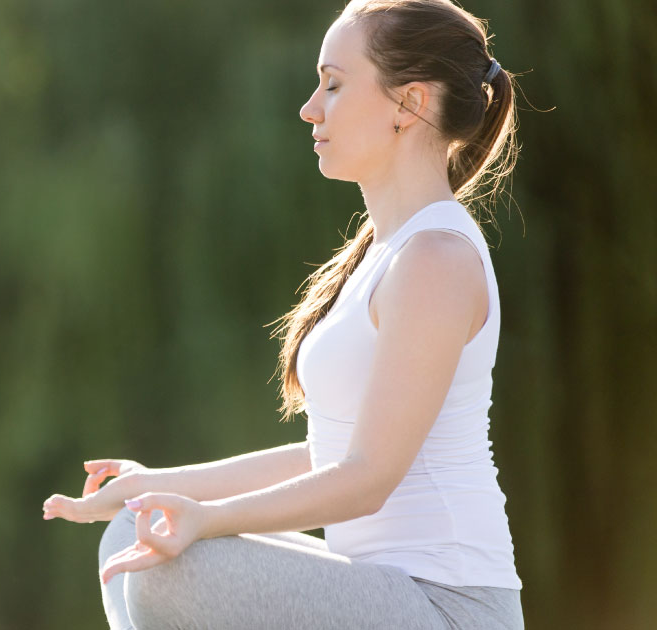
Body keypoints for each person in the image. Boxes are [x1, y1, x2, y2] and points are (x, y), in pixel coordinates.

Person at [40, 0, 526, 628]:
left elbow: (368, 477)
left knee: (169, 567)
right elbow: (327, 453)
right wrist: (156, 485)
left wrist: (208, 518)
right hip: (389, 590)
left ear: (409, 104)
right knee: (134, 532)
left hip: (449, 605)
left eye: (334, 84)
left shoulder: (436, 258)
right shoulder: (386, 254)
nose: (310, 107)